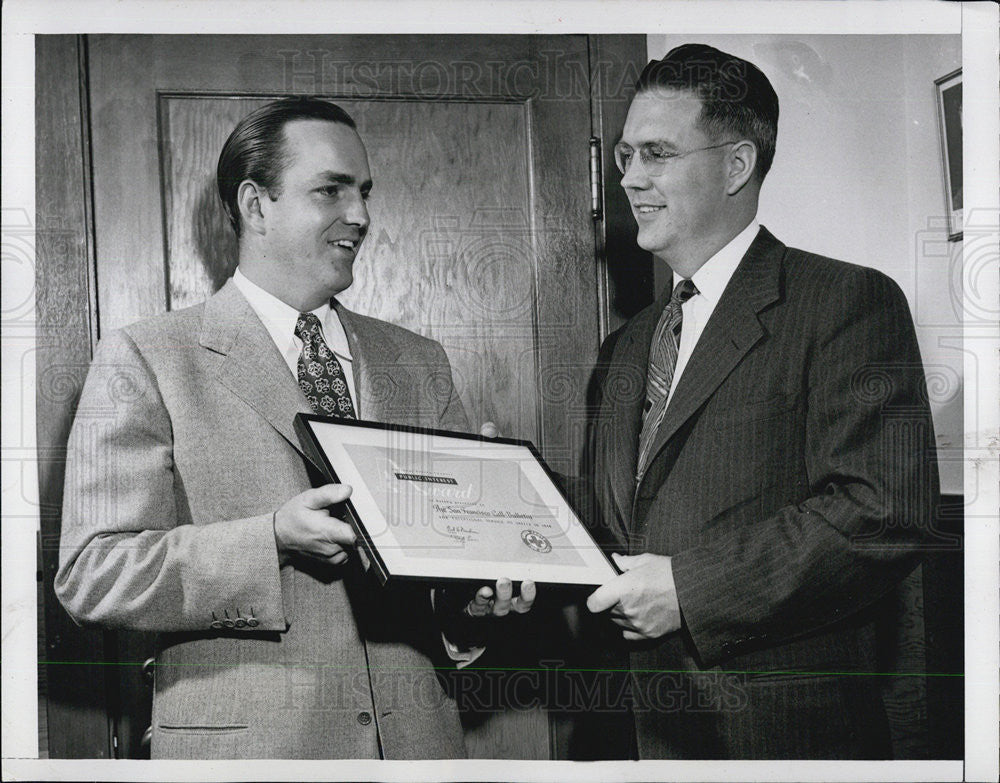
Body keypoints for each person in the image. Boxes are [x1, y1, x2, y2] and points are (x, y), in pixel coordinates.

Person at [55, 97, 534, 759]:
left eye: (363, 192)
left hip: (421, 751)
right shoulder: (146, 358)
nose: (361, 215)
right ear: (256, 205)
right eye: (330, 190)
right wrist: (270, 538)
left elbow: (444, 573)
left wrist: (471, 598)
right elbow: (93, 574)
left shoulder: (418, 360)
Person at [582, 44, 938, 759]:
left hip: (778, 740)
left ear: (737, 165)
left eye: (656, 153)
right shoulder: (626, 346)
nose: (630, 179)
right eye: (624, 156)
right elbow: (610, 522)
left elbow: (882, 511)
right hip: (632, 735)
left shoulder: (846, 301)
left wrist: (689, 587)